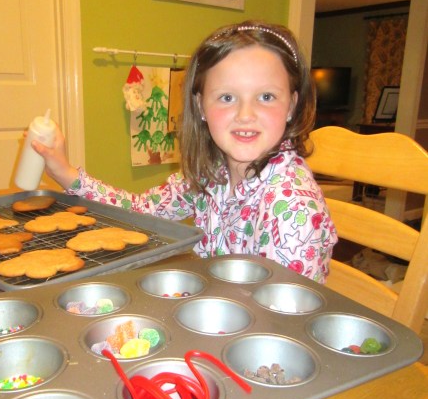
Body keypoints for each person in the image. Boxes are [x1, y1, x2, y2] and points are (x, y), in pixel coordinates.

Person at [33, 20, 337, 282]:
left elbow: (282, 320)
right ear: (200, 106)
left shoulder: (293, 210)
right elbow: (141, 211)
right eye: (227, 97)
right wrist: (66, 173)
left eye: (266, 96)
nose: (246, 114)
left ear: (291, 105)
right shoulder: (212, 172)